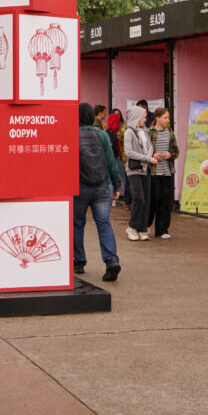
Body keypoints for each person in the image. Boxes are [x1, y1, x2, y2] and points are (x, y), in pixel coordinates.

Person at [73, 103, 121, 282]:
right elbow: (111, 163)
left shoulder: (72, 134)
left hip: (79, 187)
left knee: (77, 223)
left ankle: (79, 261)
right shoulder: (101, 134)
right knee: (104, 224)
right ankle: (111, 261)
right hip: (102, 187)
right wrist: (116, 186)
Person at [123, 105, 156, 242]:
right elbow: (128, 152)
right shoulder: (128, 132)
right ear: (137, 117)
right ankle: (132, 227)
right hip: (133, 169)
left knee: (147, 199)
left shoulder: (145, 131)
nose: (145, 119)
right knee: (138, 198)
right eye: (143, 117)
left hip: (145, 168)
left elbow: (150, 147)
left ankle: (142, 229)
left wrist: (146, 161)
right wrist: (148, 159)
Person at [147, 108, 179, 239]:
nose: (167, 120)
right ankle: (146, 225)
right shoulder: (149, 133)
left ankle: (162, 230)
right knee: (153, 200)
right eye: (165, 117)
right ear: (157, 118)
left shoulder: (170, 133)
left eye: (168, 117)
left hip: (167, 172)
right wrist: (152, 155)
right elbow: (143, 151)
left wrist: (169, 154)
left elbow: (176, 151)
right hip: (153, 172)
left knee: (165, 202)